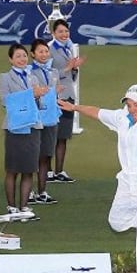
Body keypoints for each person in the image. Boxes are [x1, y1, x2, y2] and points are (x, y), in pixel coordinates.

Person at [57, 34, 137, 273]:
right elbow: (97, 112)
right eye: (130, 104)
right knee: (116, 223)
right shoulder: (122, 117)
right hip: (127, 183)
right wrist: (73, 106)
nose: (133, 109)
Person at [0, 43, 51, 220]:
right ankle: (11, 206)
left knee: (29, 169)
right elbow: (6, 101)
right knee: (13, 169)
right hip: (15, 127)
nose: (22, 59)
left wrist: (40, 95)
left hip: (33, 126)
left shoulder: (33, 77)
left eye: (24, 56)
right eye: (18, 56)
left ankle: (24, 207)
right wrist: (31, 94)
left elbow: (39, 105)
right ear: (11, 59)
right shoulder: (4, 78)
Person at [49, 20, 84, 184]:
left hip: (68, 96)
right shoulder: (49, 51)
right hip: (54, 98)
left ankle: (59, 171)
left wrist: (75, 69)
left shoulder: (68, 49)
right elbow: (48, 76)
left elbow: (72, 78)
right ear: (53, 33)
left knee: (63, 136)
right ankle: (48, 171)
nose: (64, 34)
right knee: (50, 136)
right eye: (61, 32)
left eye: (66, 31)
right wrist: (68, 69)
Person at [27, 40, 60, 207]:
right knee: (34, 157)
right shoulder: (29, 72)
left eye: (46, 51)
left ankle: (42, 191)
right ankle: (30, 191)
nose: (44, 54)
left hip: (51, 118)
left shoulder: (54, 71)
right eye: (40, 51)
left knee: (46, 156)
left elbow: (55, 91)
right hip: (36, 119)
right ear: (32, 54)